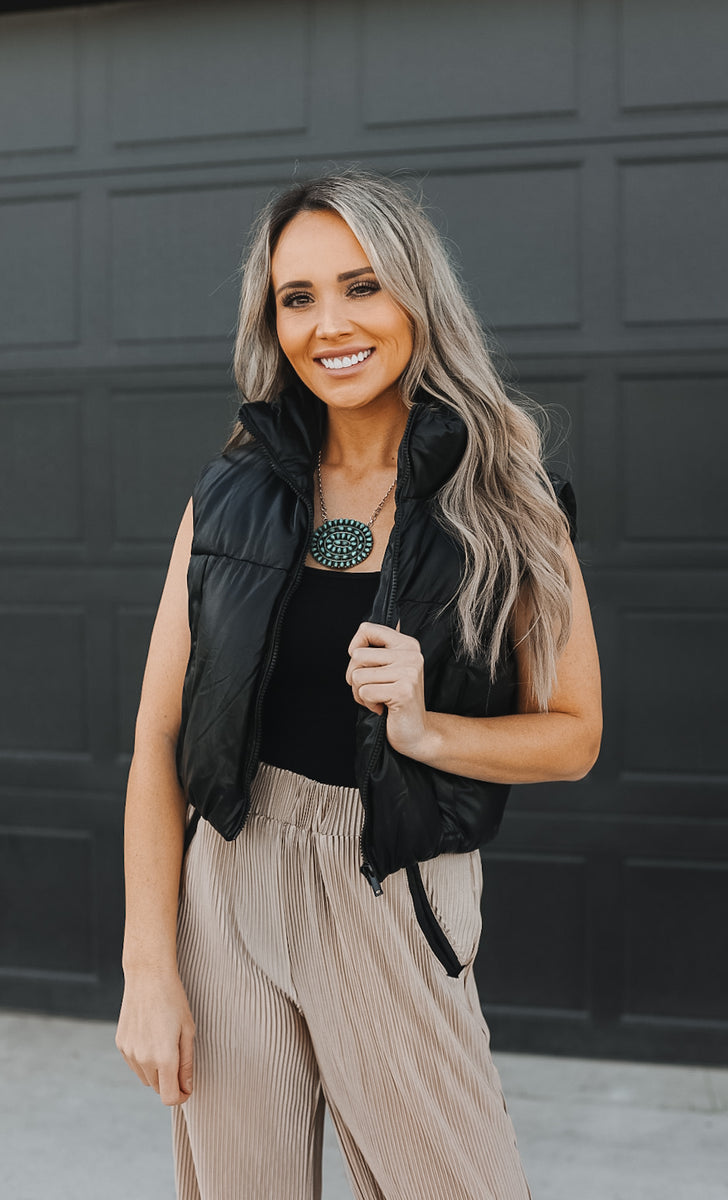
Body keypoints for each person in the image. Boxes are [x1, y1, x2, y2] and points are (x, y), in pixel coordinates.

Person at [115, 169, 602, 1200]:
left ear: (416, 297)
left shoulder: (506, 504)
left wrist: (426, 731)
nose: (328, 324)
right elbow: (160, 738)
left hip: (393, 883)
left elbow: (571, 735)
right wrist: (148, 969)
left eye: (361, 286)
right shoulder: (231, 494)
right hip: (227, 882)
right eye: (297, 297)